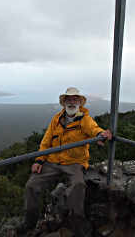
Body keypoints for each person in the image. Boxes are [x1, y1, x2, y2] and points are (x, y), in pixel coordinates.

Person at [19, 87, 112, 236]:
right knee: (31, 186)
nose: (72, 102)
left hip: (74, 162)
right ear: (64, 103)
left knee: (79, 185)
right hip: (53, 161)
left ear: (79, 102)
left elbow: (94, 129)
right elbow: (46, 141)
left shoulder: (85, 119)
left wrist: (101, 134)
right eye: (69, 99)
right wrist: (39, 160)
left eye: (75, 99)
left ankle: (77, 223)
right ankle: (29, 223)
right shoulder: (56, 119)